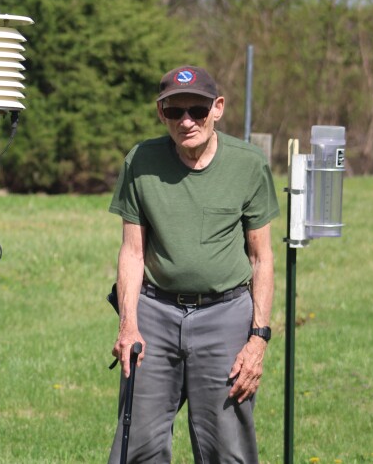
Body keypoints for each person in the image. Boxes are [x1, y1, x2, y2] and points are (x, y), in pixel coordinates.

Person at [108, 65, 279, 463]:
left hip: (225, 315)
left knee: (227, 447)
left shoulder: (248, 164)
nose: (187, 121)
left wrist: (258, 338)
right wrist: (128, 324)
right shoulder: (141, 161)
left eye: (198, 110)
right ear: (160, 113)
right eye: (175, 111)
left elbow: (261, 256)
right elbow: (132, 251)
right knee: (139, 445)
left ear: (217, 108)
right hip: (154, 313)